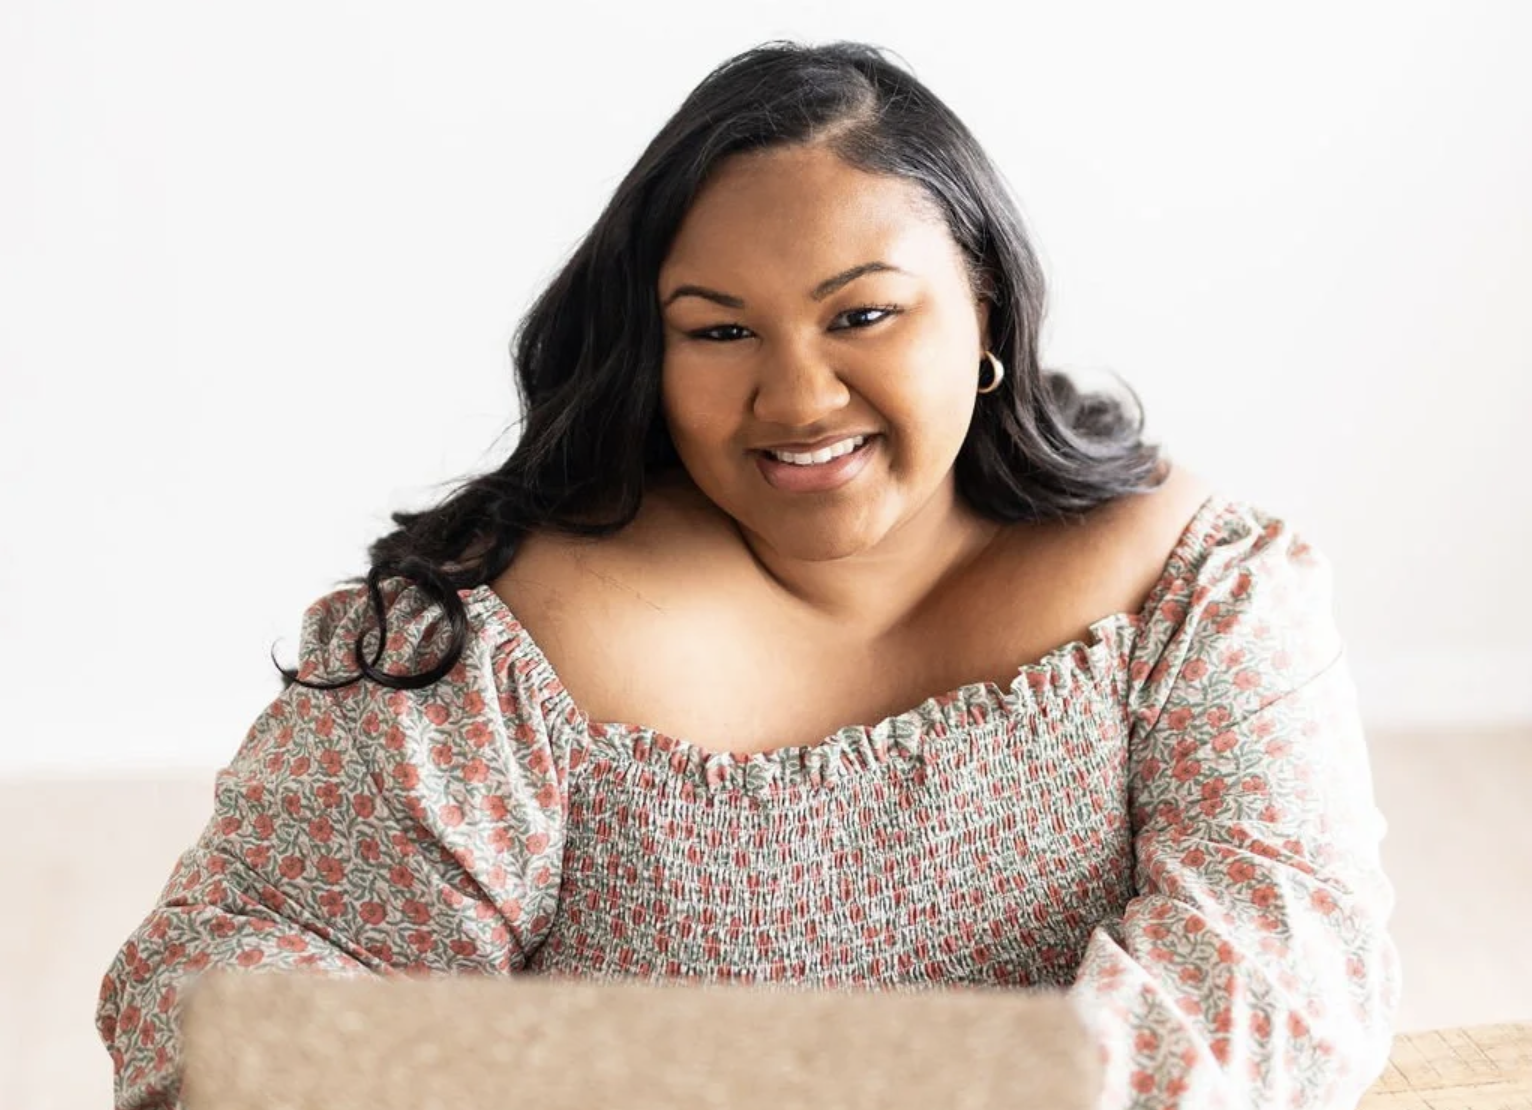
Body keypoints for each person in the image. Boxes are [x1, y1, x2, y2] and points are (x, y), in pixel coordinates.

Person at [96, 39, 1402, 1109]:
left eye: (863, 314)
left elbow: (1280, 982)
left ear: (989, 312)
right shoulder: (490, 641)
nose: (797, 396)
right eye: (719, 331)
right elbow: (227, 1002)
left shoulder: (1196, 585)